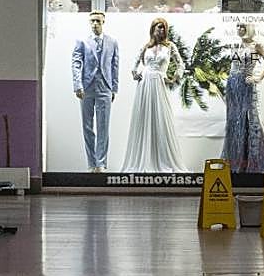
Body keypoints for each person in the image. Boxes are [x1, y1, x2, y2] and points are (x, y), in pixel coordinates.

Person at [122, 17, 188, 173]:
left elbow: (181, 64)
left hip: (159, 82)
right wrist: (135, 74)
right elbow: (134, 64)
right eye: (159, 27)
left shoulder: (170, 46)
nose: (162, 30)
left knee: (160, 118)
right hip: (144, 83)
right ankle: (143, 160)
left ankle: (163, 159)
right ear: (153, 29)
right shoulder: (146, 46)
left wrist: (174, 78)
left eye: (164, 28)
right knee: (144, 118)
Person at [220, 23, 264, 173]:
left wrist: (257, 78)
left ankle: (253, 160)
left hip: (245, 83)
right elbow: (232, 66)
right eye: (238, 28)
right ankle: (234, 159)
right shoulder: (237, 45)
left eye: (242, 27)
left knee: (248, 120)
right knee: (234, 121)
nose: (240, 30)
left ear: (248, 29)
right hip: (232, 83)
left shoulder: (257, 46)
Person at [71, 11, 119, 173]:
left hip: (105, 87)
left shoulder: (112, 41)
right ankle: (92, 163)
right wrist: (77, 85)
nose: (95, 24)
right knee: (87, 126)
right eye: (92, 21)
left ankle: (101, 163)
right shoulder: (82, 41)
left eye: (98, 21)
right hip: (87, 88)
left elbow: (114, 66)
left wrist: (114, 88)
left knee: (103, 126)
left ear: (103, 22)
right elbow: (76, 63)